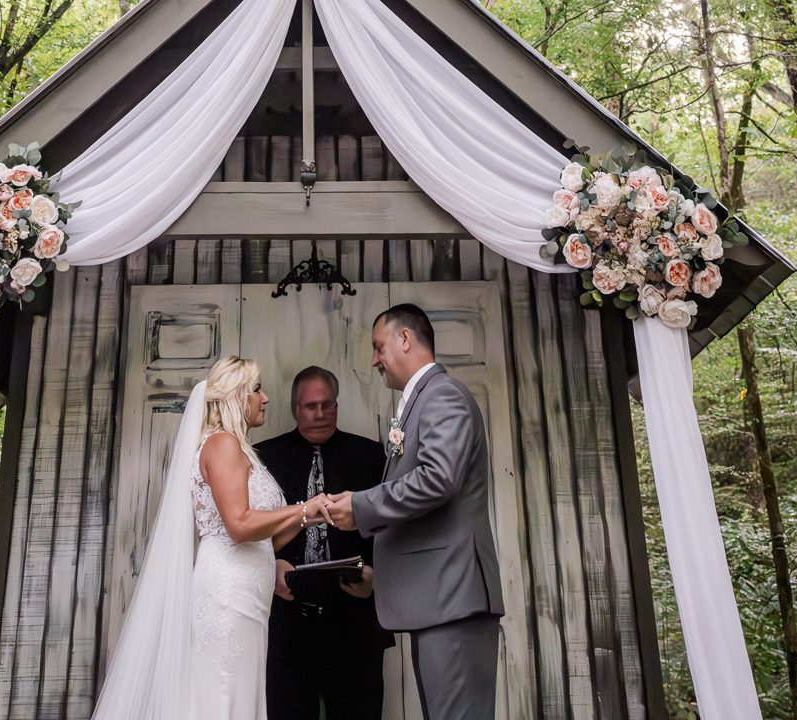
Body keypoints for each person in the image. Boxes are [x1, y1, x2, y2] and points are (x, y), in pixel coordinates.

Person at [91, 354, 331, 720]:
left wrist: (311, 517)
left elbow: (263, 540)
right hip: (228, 593)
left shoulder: (240, 447)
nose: (265, 398)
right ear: (236, 397)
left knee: (237, 692)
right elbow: (239, 524)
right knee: (222, 694)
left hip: (249, 592)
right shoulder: (221, 445)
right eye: (256, 389)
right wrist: (302, 508)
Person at [322, 305, 504, 720]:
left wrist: (361, 506)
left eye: (377, 346)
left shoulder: (442, 395)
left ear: (404, 339)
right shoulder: (423, 400)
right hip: (441, 599)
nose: (374, 360)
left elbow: (438, 478)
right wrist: (379, 579)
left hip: (454, 598)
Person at [257, 365, 393, 720]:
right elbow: (244, 529)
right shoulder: (262, 458)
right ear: (293, 409)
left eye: (326, 404)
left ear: (337, 405)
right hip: (285, 622)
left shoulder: (370, 455)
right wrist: (266, 568)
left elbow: (393, 528)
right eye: (309, 406)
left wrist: (377, 579)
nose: (319, 413)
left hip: (354, 622)